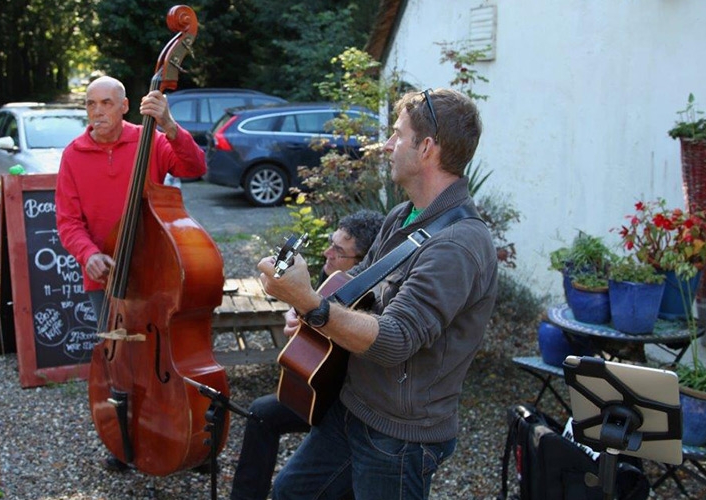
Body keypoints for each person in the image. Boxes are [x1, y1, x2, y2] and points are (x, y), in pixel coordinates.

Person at [256, 88, 497, 500]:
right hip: (352, 405)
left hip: (400, 437)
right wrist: (312, 308)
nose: (386, 145)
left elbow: (394, 341)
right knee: (289, 493)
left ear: (425, 148)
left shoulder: (457, 246)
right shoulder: (403, 215)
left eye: (397, 135)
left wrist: (313, 307)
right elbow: (359, 287)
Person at [55, 75, 206, 470]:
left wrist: (171, 126)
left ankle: (191, 430)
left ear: (124, 106)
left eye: (106, 103)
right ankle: (123, 439)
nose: (97, 112)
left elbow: (194, 166)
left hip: (159, 270)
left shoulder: (151, 140)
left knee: (173, 353)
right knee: (119, 361)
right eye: (90, 104)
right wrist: (87, 254)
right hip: (106, 279)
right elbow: (68, 221)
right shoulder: (73, 154)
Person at [231, 210, 384, 500]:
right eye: (331, 242)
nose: (327, 253)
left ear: (363, 262)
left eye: (338, 251)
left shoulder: (372, 295)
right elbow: (311, 307)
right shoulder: (333, 279)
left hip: (348, 399)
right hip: (317, 388)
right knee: (261, 413)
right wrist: (297, 309)